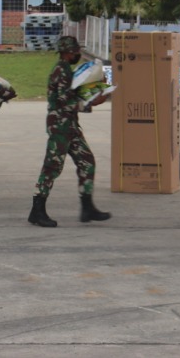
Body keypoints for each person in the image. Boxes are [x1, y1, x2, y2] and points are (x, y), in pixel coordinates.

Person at [28, 35, 110, 228]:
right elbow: (66, 101)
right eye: (75, 52)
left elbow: (75, 93)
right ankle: (37, 210)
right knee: (52, 167)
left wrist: (98, 89)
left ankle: (87, 207)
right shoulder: (61, 71)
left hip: (69, 125)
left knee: (87, 162)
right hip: (60, 126)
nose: (78, 55)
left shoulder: (66, 70)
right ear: (67, 52)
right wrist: (91, 103)